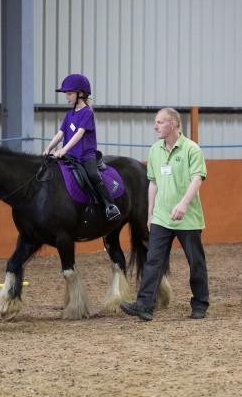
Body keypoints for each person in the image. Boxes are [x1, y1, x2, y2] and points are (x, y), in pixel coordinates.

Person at [119, 108, 209, 321]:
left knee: (195, 261)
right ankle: (144, 305)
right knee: (153, 261)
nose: (155, 126)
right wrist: (149, 214)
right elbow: (153, 183)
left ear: (173, 124)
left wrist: (183, 204)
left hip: (188, 218)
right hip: (161, 217)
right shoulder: (155, 150)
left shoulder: (191, 149)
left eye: (160, 122)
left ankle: (200, 303)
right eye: (155, 122)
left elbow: (198, 178)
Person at [43, 73, 121, 221]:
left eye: (70, 93)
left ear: (81, 94)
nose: (67, 96)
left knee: (92, 174)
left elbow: (79, 134)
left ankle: (110, 205)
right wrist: (49, 147)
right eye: (66, 93)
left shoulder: (87, 113)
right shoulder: (69, 114)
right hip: (70, 156)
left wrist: (63, 149)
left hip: (85, 155)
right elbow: (60, 134)